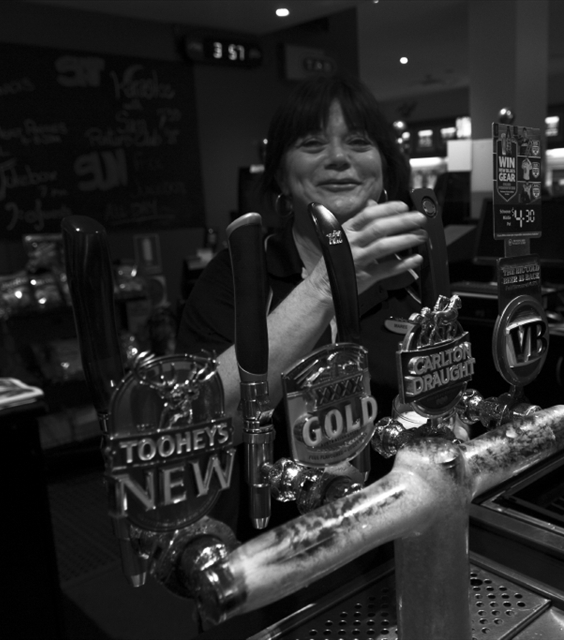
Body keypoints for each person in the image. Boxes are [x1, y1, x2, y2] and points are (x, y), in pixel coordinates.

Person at [176, 74, 428, 535]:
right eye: (312, 143)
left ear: (385, 169)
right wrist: (324, 287)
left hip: (404, 532)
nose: (338, 158)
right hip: (281, 544)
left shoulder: (414, 271)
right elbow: (195, 425)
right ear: (279, 173)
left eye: (358, 141)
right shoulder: (238, 272)